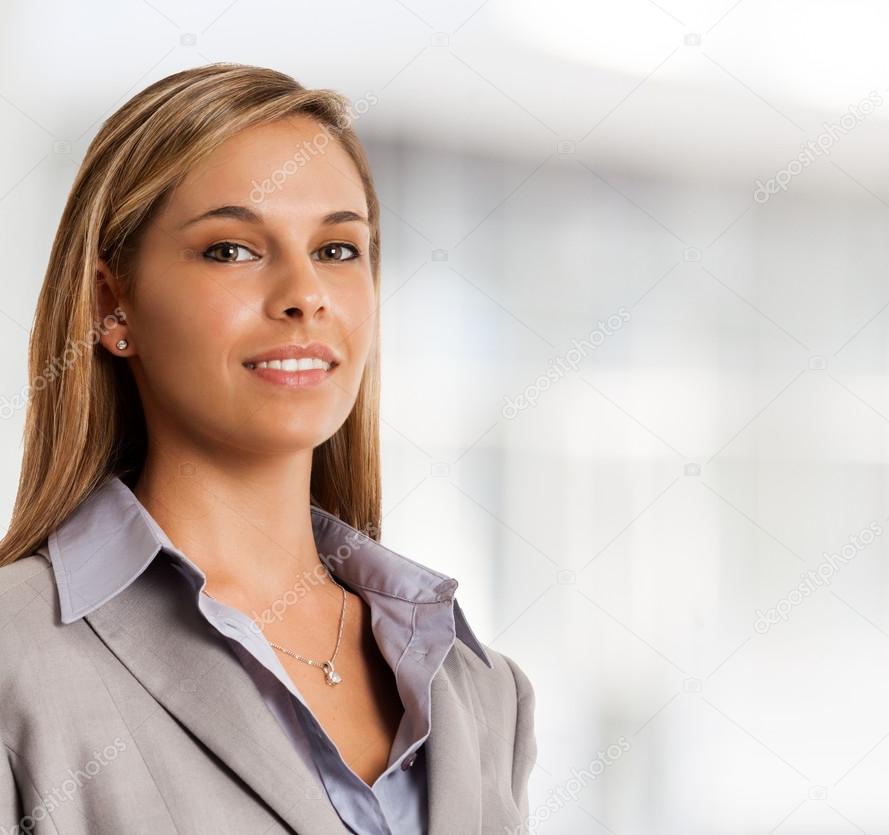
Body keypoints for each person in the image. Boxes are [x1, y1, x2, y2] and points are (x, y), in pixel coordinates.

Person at [0, 63, 536, 834]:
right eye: (231, 250)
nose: (304, 293)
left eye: (339, 250)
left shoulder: (483, 691)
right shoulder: (17, 659)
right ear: (111, 306)